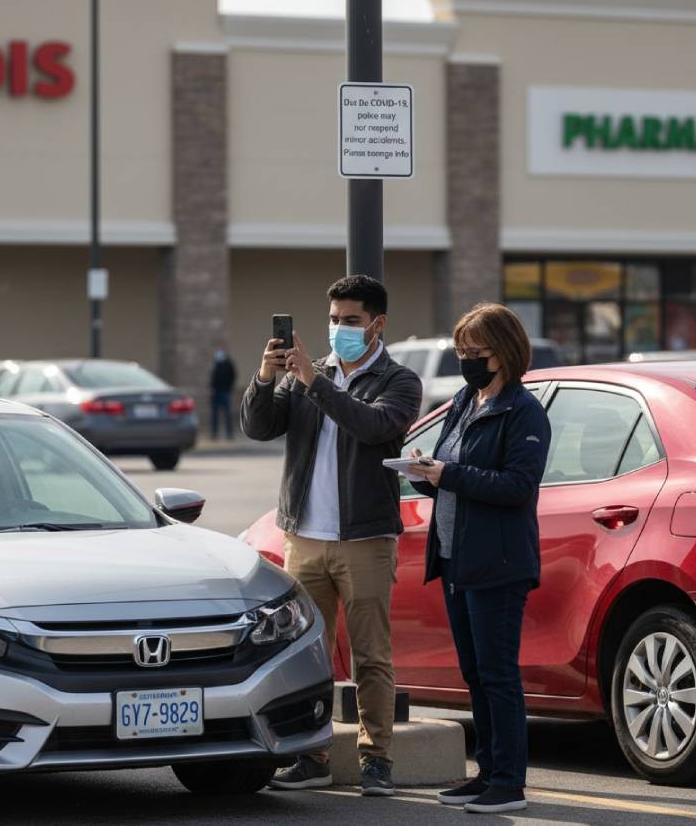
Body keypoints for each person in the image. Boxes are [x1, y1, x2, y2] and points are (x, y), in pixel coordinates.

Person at [241, 275, 422, 797]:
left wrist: (315, 384)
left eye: (351, 321)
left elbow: (374, 427)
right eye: (334, 320)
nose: (339, 329)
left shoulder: (398, 380)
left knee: (370, 655)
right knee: (306, 655)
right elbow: (258, 427)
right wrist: (265, 376)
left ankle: (377, 759)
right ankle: (312, 755)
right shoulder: (306, 373)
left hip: (364, 539)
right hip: (304, 537)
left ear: (377, 324)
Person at [406, 303, 550, 815]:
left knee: (497, 673)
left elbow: (517, 486)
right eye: (461, 351)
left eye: (477, 353)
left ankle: (509, 783)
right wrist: (425, 471)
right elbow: (451, 465)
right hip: (455, 556)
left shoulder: (524, 410)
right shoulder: (467, 399)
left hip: (498, 562)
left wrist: (449, 475)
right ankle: (486, 772)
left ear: (505, 353)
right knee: (473, 671)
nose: (467, 361)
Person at [209, 348, 237, 440]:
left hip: (225, 391)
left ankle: (229, 434)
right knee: (214, 415)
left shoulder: (228, 364)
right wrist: (212, 388)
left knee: (227, 414)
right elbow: (212, 378)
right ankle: (214, 434)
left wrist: (229, 388)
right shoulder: (215, 364)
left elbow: (233, 376)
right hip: (216, 392)